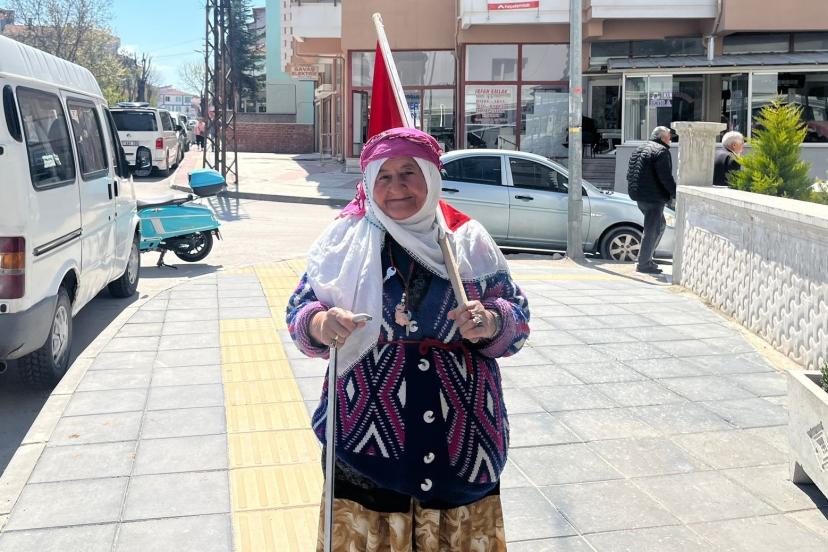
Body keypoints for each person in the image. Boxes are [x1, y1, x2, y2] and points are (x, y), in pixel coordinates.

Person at [286, 127, 530, 551]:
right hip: (365, 448)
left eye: (408, 173)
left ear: (432, 177)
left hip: (462, 444)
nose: (395, 187)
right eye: (383, 175)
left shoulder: (467, 240)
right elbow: (300, 311)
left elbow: (517, 319)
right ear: (369, 181)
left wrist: (491, 321)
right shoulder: (344, 240)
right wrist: (320, 323)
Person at [626, 126, 677, 275]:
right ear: (663, 138)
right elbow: (665, 177)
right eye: (669, 136)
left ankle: (646, 259)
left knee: (659, 225)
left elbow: (630, 173)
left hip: (638, 194)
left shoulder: (639, 148)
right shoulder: (661, 151)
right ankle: (643, 264)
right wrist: (675, 193)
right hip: (653, 197)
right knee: (652, 229)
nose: (670, 139)